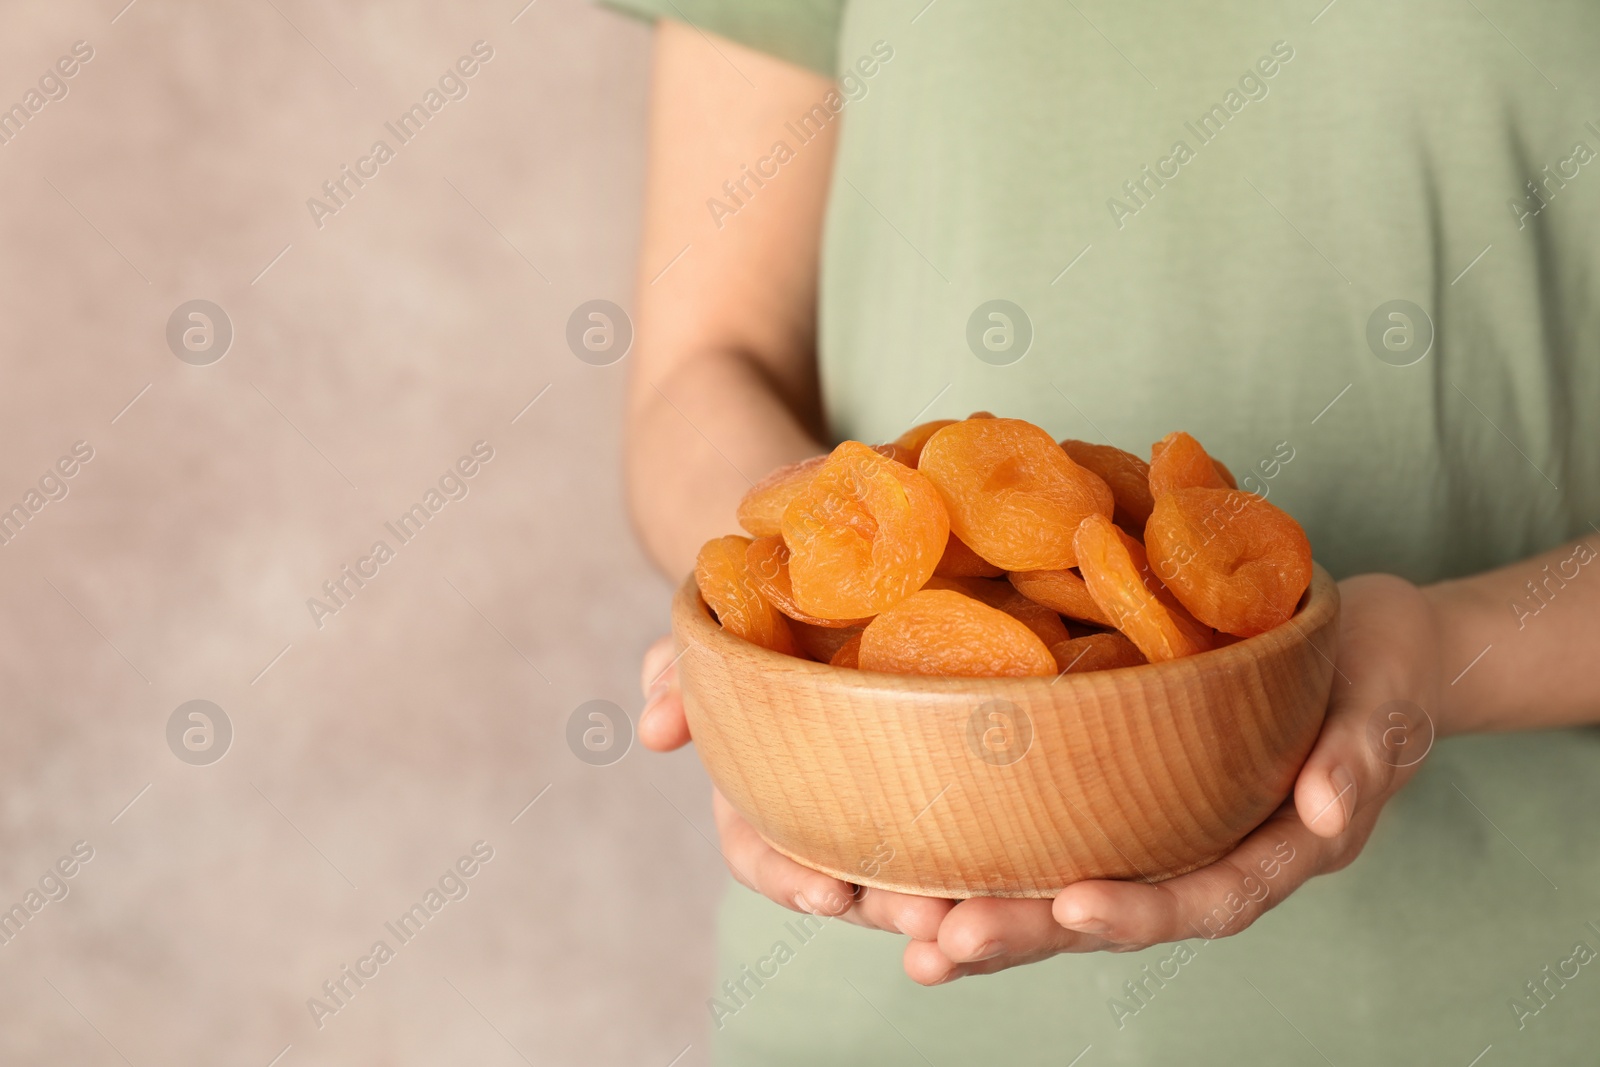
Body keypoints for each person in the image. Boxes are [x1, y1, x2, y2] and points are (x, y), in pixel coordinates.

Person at [607, 1, 1600, 1062]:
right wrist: (775, 658)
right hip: (877, 978)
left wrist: (1442, 649)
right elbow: (708, 362)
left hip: (1499, 986)